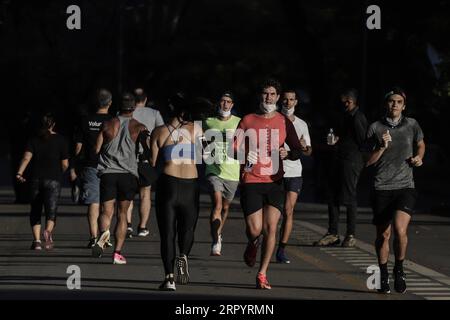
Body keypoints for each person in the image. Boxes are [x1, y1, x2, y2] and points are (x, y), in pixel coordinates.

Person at [234, 79, 303, 289]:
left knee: (271, 228)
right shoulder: (247, 120)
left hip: (275, 182)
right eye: (265, 94)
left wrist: (288, 153)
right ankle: (252, 242)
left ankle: (262, 273)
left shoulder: (284, 122)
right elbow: (232, 149)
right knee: (255, 230)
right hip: (252, 180)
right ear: (260, 96)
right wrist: (245, 154)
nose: (268, 98)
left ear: (278, 97)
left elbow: (298, 150)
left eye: (272, 94)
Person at [366, 88, 425, 294]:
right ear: (386, 104)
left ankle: (399, 269)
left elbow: (421, 144)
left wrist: (419, 157)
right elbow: (368, 161)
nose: (395, 105)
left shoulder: (412, 124)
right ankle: (383, 274)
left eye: (399, 102)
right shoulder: (375, 127)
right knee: (383, 235)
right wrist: (381, 147)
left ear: (404, 105)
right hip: (381, 186)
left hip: (405, 186)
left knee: (400, 230)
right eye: (391, 101)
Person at [150, 93, 211, 291]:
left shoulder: (159, 131)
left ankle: (169, 278)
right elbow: (208, 156)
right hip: (190, 185)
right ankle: (183, 255)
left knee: (167, 234)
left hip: (168, 183)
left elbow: (152, 163)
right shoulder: (197, 130)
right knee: (188, 228)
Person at [91, 93, 147, 264]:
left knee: (105, 211)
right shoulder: (139, 127)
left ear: (118, 106)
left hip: (108, 173)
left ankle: (103, 235)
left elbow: (96, 149)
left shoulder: (107, 124)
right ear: (134, 108)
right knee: (123, 214)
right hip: (128, 174)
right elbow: (146, 151)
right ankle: (117, 253)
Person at [314, 89, 368, 247]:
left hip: (351, 161)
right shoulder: (345, 116)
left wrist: (359, 161)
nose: (344, 104)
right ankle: (333, 233)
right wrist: (338, 140)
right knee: (333, 196)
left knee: (349, 197)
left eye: (346, 101)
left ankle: (350, 234)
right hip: (339, 159)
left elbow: (362, 141)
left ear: (352, 101)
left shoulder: (358, 117)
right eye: (343, 101)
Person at [16, 113, 69, 250]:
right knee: (51, 210)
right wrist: (59, 172)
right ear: (53, 124)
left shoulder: (33, 140)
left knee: (35, 209)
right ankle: (48, 232)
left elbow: (26, 158)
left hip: (36, 179)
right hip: (53, 179)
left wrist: (20, 172)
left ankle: (37, 241)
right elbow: (65, 164)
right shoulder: (61, 140)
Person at [70, 89, 113, 248]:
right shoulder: (113, 120)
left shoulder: (85, 120)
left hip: (90, 165)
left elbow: (77, 147)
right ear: (110, 103)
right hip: (110, 166)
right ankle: (105, 235)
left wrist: (74, 166)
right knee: (107, 203)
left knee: (93, 202)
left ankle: (93, 237)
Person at [276, 89, 312, 263]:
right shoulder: (274, 120)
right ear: (279, 101)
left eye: (291, 100)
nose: (288, 103)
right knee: (273, 213)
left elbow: (308, 151)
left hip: (294, 172)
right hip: (274, 170)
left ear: (296, 102)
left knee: (288, 211)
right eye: (285, 100)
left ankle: (281, 249)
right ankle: (264, 239)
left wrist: (305, 147)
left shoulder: (302, 124)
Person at [203, 92, 241, 256]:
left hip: (232, 171)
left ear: (232, 105)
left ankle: (219, 233)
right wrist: (206, 152)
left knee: (225, 207)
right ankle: (215, 240)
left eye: (228, 102)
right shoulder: (208, 121)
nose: (225, 104)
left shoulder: (239, 122)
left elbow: (245, 143)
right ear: (219, 103)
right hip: (213, 169)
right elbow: (200, 139)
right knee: (217, 204)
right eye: (222, 101)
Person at [125, 88, 164, 238]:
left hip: (128, 159)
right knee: (145, 194)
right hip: (146, 158)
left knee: (127, 194)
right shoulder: (154, 114)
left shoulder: (126, 113)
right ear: (146, 99)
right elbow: (161, 132)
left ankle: (127, 224)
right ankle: (142, 227)